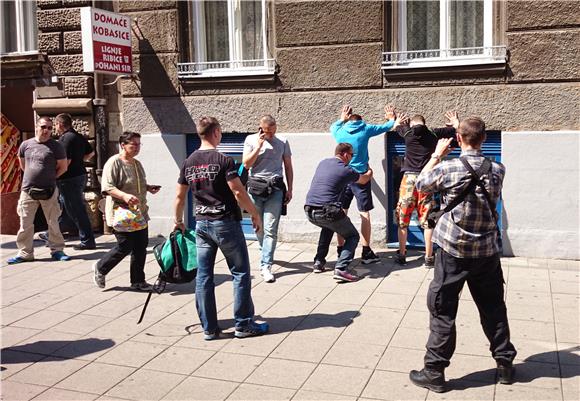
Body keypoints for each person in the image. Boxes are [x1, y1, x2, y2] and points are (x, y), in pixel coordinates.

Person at [409, 117, 517, 393]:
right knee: (493, 308)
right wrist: (463, 128)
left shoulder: (448, 168)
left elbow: (420, 184)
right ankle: (505, 364)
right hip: (487, 252)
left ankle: (434, 371)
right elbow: (475, 156)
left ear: (457, 139)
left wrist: (435, 155)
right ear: (484, 140)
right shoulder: (498, 169)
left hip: (453, 251)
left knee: (443, 310)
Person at [174, 116, 269, 340]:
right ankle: (243, 325)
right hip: (225, 223)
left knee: (204, 276)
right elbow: (237, 191)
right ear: (216, 132)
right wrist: (254, 213)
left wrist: (178, 221)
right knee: (240, 273)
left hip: (201, 224)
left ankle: (209, 328)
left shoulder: (188, 162)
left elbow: (180, 195)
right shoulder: (223, 160)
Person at [92, 131, 160, 291]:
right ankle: (101, 268)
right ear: (123, 145)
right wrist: (124, 196)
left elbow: (137, 184)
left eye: (139, 144)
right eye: (133, 144)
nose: (137, 148)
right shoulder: (114, 162)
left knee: (140, 246)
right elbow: (108, 187)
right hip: (121, 213)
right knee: (125, 245)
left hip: (139, 213)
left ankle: (138, 281)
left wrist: (148, 188)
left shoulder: (136, 164)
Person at [331, 104, 396, 264]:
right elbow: (387, 127)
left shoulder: (339, 132)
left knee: (341, 212)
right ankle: (366, 251)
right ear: (361, 121)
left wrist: (342, 118)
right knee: (364, 213)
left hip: (343, 175)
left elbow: (333, 126)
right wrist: (391, 117)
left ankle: (341, 249)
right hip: (361, 177)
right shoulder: (365, 129)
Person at [393, 111, 459, 267]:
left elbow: (396, 126)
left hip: (408, 180)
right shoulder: (434, 134)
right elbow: (455, 132)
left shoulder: (408, 133)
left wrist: (394, 119)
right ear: (425, 122)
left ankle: (402, 255)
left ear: (413, 123)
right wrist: (455, 123)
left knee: (403, 219)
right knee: (427, 220)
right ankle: (429, 258)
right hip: (426, 179)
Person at [304, 143, 373, 282]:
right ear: (345, 154)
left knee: (328, 227)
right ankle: (341, 269)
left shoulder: (323, 163)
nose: (352, 158)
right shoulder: (346, 170)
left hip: (309, 209)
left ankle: (319, 262)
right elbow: (364, 179)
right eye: (352, 155)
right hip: (327, 210)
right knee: (353, 236)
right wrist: (370, 171)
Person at [7, 116, 71, 264]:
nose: (46, 130)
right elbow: (23, 164)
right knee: (25, 223)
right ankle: (25, 253)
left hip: (49, 189)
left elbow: (63, 167)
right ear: (37, 127)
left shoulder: (56, 146)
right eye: (43, 127)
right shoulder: (26, 144)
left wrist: (49, 177)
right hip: (28, 190)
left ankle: (57, 251)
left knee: (53, 222)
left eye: (49, 128)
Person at [242, 115, 293, 283]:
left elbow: (288, 166)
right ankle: (265, 250)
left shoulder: (283, 141)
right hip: (256, 188)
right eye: (267, 132)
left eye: (273, 131)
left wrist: (290, 188)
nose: (270, 135)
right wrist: (259, 146)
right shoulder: (251, 140)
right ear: (260, 128)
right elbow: (247, 164)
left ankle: (266, 265)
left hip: (276, 188)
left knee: (271, 228)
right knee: (258, 226)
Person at [50, 113, 96, 250]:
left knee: (76, 210)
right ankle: (52, 233)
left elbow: (66, 162)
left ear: (59, 124)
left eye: (55, 125)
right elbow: (91, 153)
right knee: (67, 207)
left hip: (68, 179)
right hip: (80, 176)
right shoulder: (78, 136)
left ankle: (87, 240)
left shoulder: (65, 139)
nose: (55, 128)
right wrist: (79, 161)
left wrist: (55, 176)